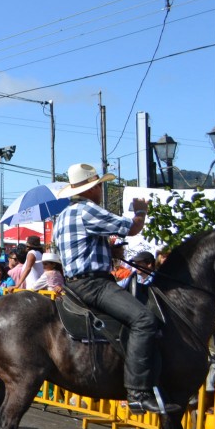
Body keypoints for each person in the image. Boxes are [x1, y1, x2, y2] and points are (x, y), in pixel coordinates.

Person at [54, 162, 178, 415]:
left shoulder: (63, 216)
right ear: (91, 188)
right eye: (99, 185)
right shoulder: (88, 210)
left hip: (76, 283)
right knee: (144, 319)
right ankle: (138, 393)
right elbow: (131, 228)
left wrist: (109, 251)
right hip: (94, 284)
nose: (101, 188)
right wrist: (140, 212)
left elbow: (78, 251)